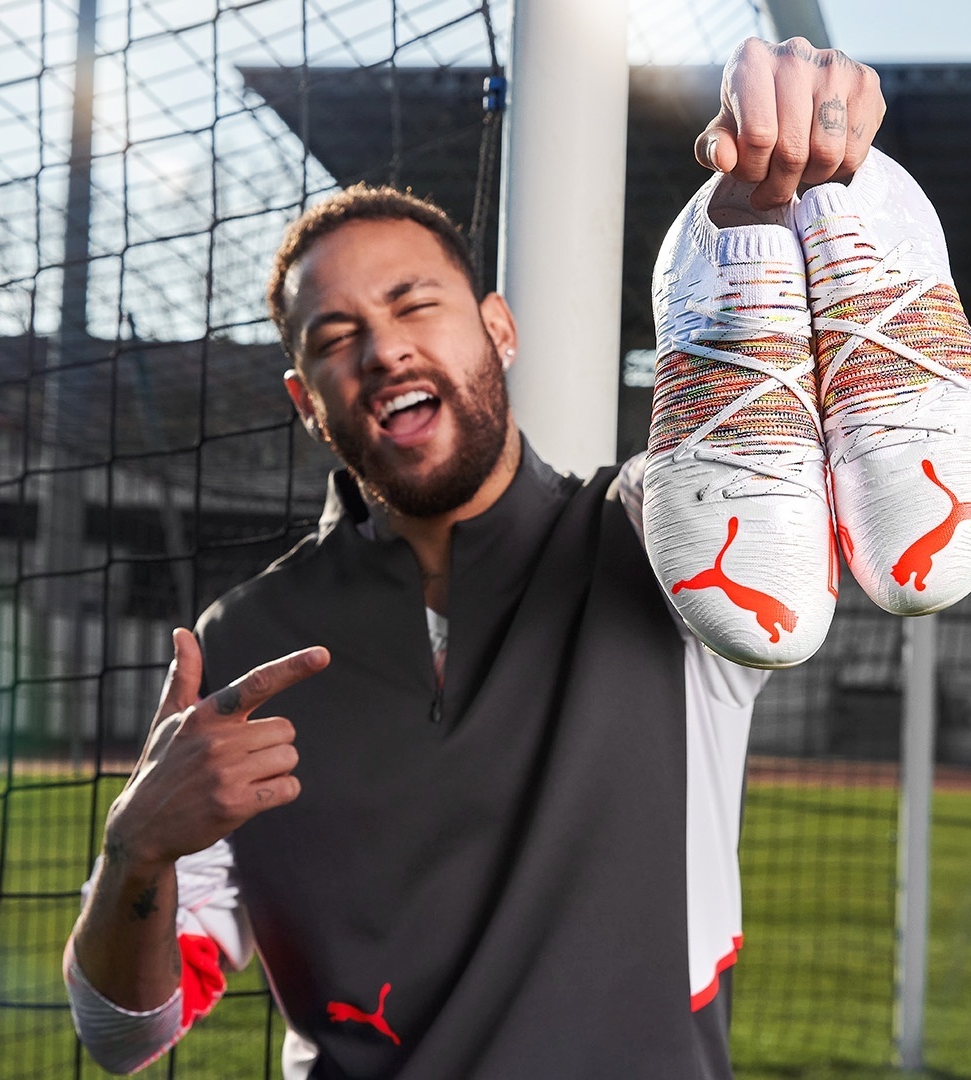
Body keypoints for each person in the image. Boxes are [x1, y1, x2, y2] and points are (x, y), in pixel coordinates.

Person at [64, 37, 888, 1079]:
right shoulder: (245, 646)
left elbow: (760, 434)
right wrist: (135, 851)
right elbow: (124, 1034)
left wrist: (764, 203)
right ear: (304, 406)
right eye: (333, 337)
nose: (383, 348)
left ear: (497, 330)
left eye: (417, 305)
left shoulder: (657, 541)